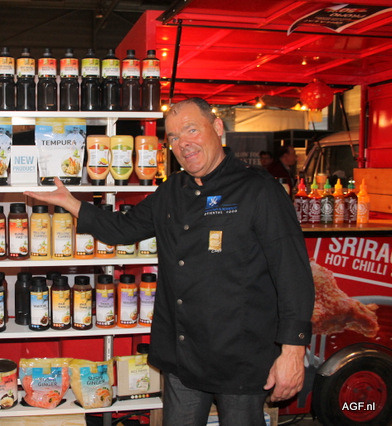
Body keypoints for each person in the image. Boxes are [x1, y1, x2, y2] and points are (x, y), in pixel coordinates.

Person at [25, 97, 314, 425]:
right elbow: (123, 228)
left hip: (240, 356)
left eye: (191, 130)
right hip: (183, 354)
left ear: (217, 128)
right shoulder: (172, 190)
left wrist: (293, 351)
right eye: (173, 137)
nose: (182, 143)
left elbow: (293, 274)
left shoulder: (259, 190)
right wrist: (71, 202)